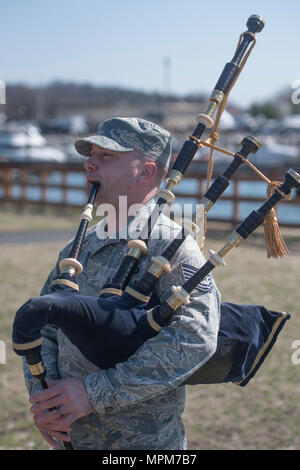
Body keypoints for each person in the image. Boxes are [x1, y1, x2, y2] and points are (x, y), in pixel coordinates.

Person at [24, 117, 221, 450]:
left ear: (146, 172)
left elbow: (195, 338)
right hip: (75, 438)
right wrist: (45, 399)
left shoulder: (170, 244)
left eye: (107, 157)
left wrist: (93, 392)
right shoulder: (81, 244)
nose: (90, 164)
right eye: (91, 155)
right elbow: (45, 325)